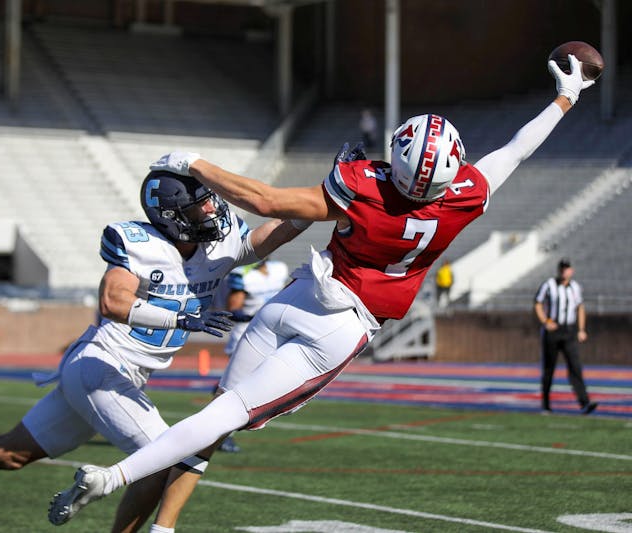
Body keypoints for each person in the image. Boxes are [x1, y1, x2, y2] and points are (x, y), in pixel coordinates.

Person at [47, 54, 596, 528]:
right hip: (343, 326)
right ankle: (113, 476)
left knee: (217, 413)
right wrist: (565, 98)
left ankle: (160, 526)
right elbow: (516, 150)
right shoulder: (463, 196)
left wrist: (190, 162)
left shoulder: (360, 189)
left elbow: (263, 202)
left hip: (301, 295)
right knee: (230, 414)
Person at [0, 170, 309, 533]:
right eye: (199, 204)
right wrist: (181, 319)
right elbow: (113, 302)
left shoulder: (218, 241)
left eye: (210, 200)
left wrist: (321, 207)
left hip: (118, 376)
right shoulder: (138, 242)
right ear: (171, 215)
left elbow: (268, 237)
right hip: (101, 368)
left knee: (12, 452)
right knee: (162, 458)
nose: (212, 209)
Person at [217, 257, 290, 453]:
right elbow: (233, 309)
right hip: (247, 335)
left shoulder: (279, 268)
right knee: (232, 389)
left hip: (274, 334)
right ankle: (221, 434)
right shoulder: (242, 274)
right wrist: (257, 315)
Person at [534, 258, 597, 415]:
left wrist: (581, 329)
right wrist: (546, 321)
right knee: (549, 369)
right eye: (562, 268)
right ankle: (546, 405)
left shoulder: (575, 287)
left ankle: (584, 403)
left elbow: (580, 307)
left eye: (567, 268)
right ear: (559, 270)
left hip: (569, 331)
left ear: (571, 270)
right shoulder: (549, 284)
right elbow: (538, 303)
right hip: (553, 331)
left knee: (575, 367)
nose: (564, 271)